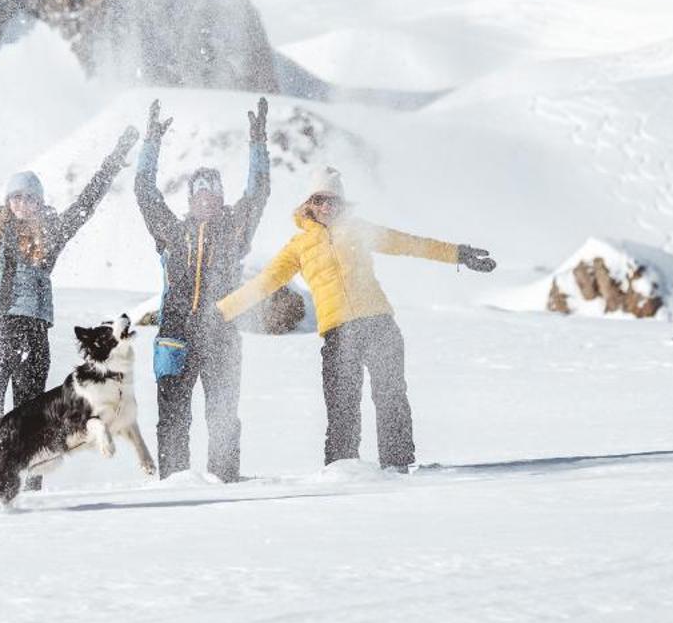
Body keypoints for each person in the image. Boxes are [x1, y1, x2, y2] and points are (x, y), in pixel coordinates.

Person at [214, 168, 496, 470]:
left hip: (379, 325)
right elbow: (265, 282)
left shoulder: (358, 230)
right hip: (338, 334)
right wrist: (222, 312)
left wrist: (458, 254)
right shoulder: (298, 247)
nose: (327, 206)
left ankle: (398, 467)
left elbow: (410, 244)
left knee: (391, 400)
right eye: (320, 199)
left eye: (333, 200)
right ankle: (342, 472)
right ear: (309, 203)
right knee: (341, 408)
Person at [0, 124, 139, 488]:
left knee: (31, 418)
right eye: (17, 197)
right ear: (8, 201)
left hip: (31, 333)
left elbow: (88, 200)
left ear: (40, 201)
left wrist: (117, 157)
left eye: (30, 198)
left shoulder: (53, 230)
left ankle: (30, 487)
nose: (23, 204)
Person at [135, 95, 270, 482]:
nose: (207, 200)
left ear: (221, 199)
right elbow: (144, 192)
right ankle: (175, 482)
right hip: (175, 336)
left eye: (214, 194)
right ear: (191, 199)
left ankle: (224, 480)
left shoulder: (234, 229)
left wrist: (258, 143)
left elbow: (259, 192)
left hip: (222, 334)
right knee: (173, 418)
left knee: (223, 415)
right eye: (200, 194)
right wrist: (151, 143)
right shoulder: (172, 232)